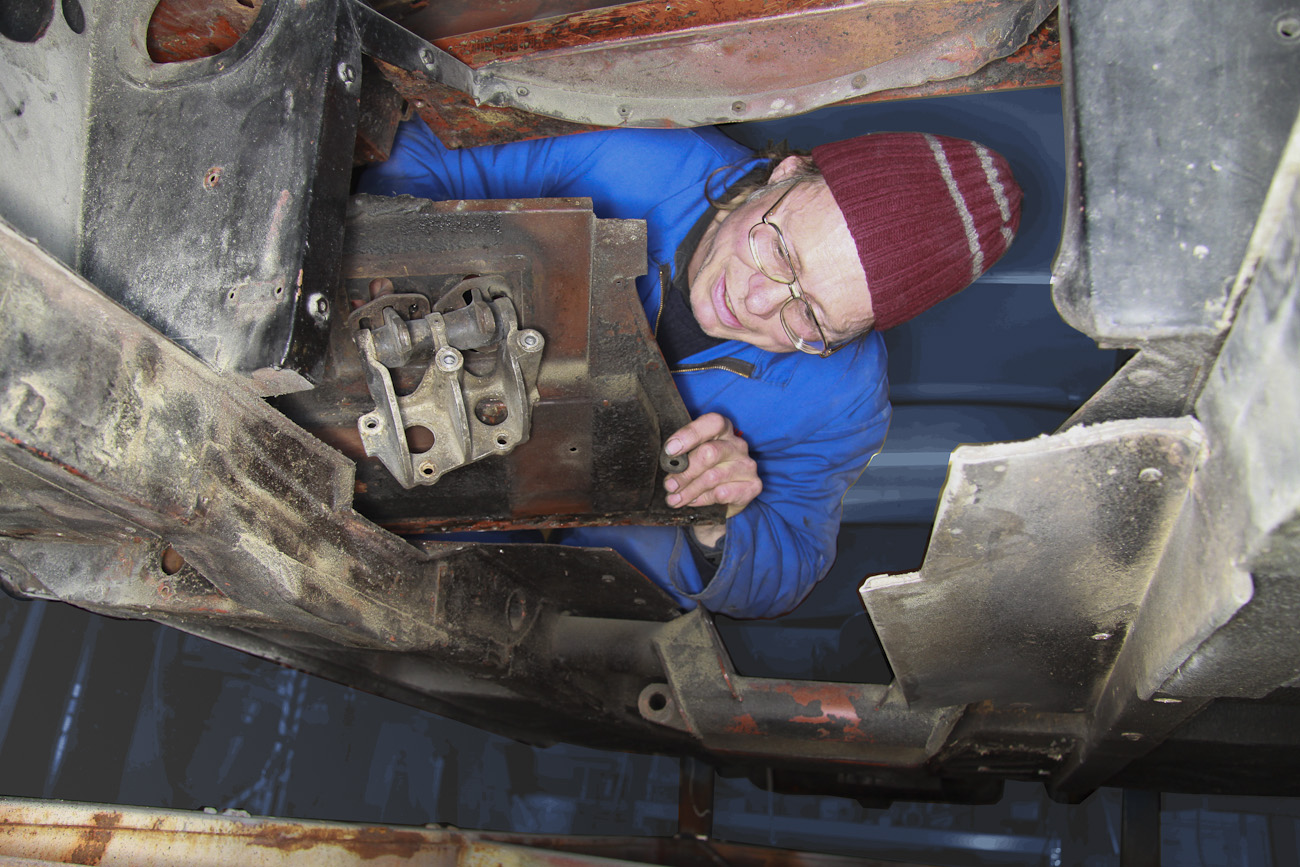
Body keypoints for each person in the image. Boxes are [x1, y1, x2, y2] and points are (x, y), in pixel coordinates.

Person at [358, 119, 1022, 619]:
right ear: (785, 172)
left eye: (812, 317)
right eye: (781, 249)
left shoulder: (844, 401)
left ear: (853, 336)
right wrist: (402, 274)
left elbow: (789, 565)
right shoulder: (637, 149)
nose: (759, 301)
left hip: (495, 571)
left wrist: (721, 521)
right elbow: (428, 151)